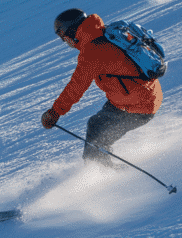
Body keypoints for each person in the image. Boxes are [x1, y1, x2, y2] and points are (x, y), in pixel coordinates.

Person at [41, 9, 162, 163]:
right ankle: (100, 164)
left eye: (63, 36)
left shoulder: (91, 52)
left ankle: (100, 173)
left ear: (71, 31)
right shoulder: (105, 33)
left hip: (138, 106)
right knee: (96, 126)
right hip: (144, 95)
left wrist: (55, 112)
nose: (65, 41)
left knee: (96, 133)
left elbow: (76, 87)